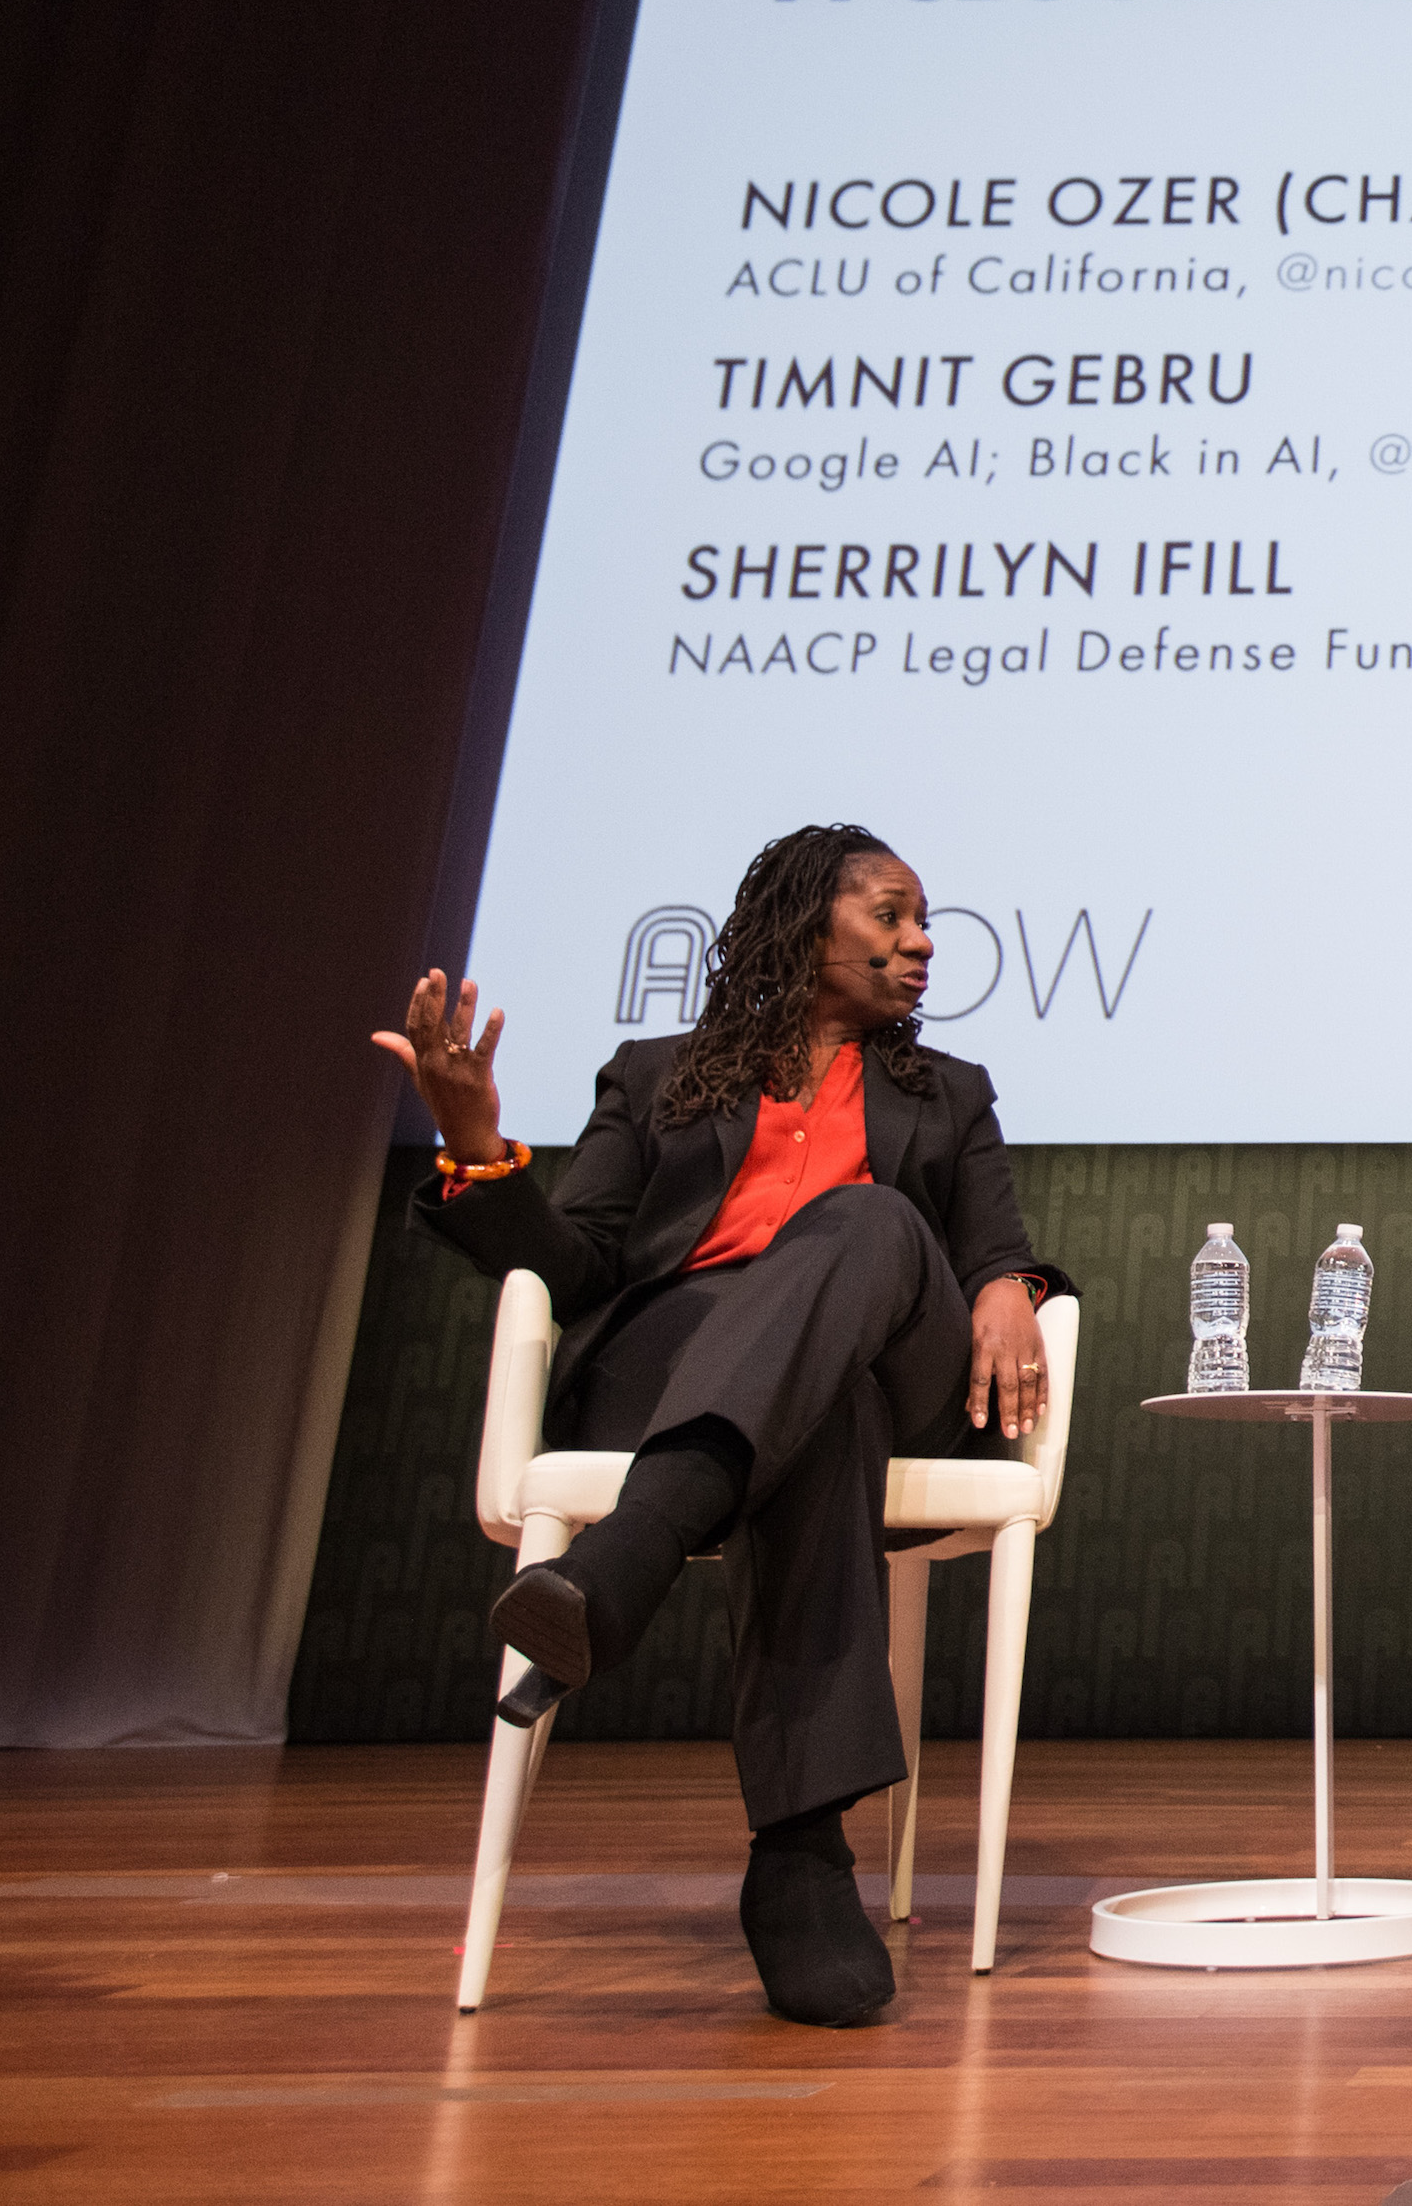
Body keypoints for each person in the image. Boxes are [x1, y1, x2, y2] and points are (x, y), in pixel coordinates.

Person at [375, 824, 1068, 2028]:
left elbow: (990, 1243)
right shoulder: (655, 1075)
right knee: (820, 1413)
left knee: (868, 1226)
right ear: (809, 923)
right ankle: (799, 1857)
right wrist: (477, 1147)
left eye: (921, 921)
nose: (923, 943)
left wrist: (1012, 1281)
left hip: (884, 1342)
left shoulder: (945, 1094)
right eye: (892, 916)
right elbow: (577, 1267)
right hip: (677, 1358)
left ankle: (630, 1558)